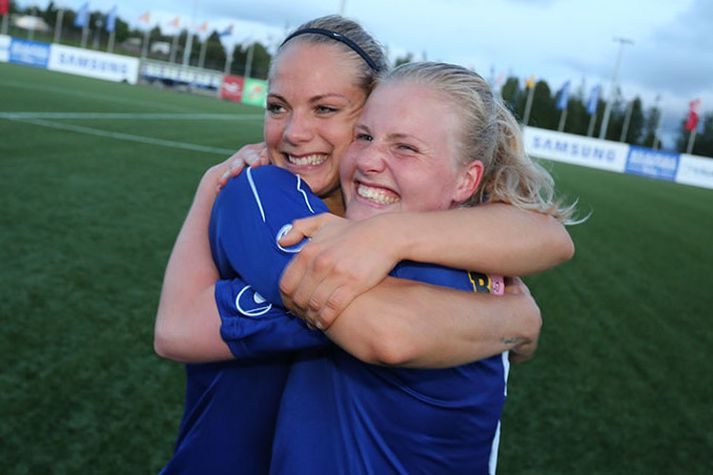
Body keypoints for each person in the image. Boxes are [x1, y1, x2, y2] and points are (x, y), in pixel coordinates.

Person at [154, 15, 573, 474]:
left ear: (372, 107)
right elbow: (177, 329)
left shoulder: (436, 240)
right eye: (277, 107)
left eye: (327, 109)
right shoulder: (263, 195)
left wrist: (387, 234)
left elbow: (551, 236)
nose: (294, 132)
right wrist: (514, 317)